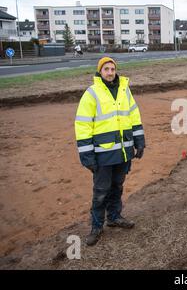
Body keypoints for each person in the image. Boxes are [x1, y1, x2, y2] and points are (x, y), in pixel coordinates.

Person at [74, 57, 146, 246]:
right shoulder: (92, 93)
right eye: (106, 69)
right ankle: (96, 226)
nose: (110, 72)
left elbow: (134, 115)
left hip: (123, 152)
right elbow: (82, 125)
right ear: (100, 72)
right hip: (103, 154)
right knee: (100, 192)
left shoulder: (124, 90)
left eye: (112, 68)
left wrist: (139, 141)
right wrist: (87, 155)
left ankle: (114, 217)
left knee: (117, 187)